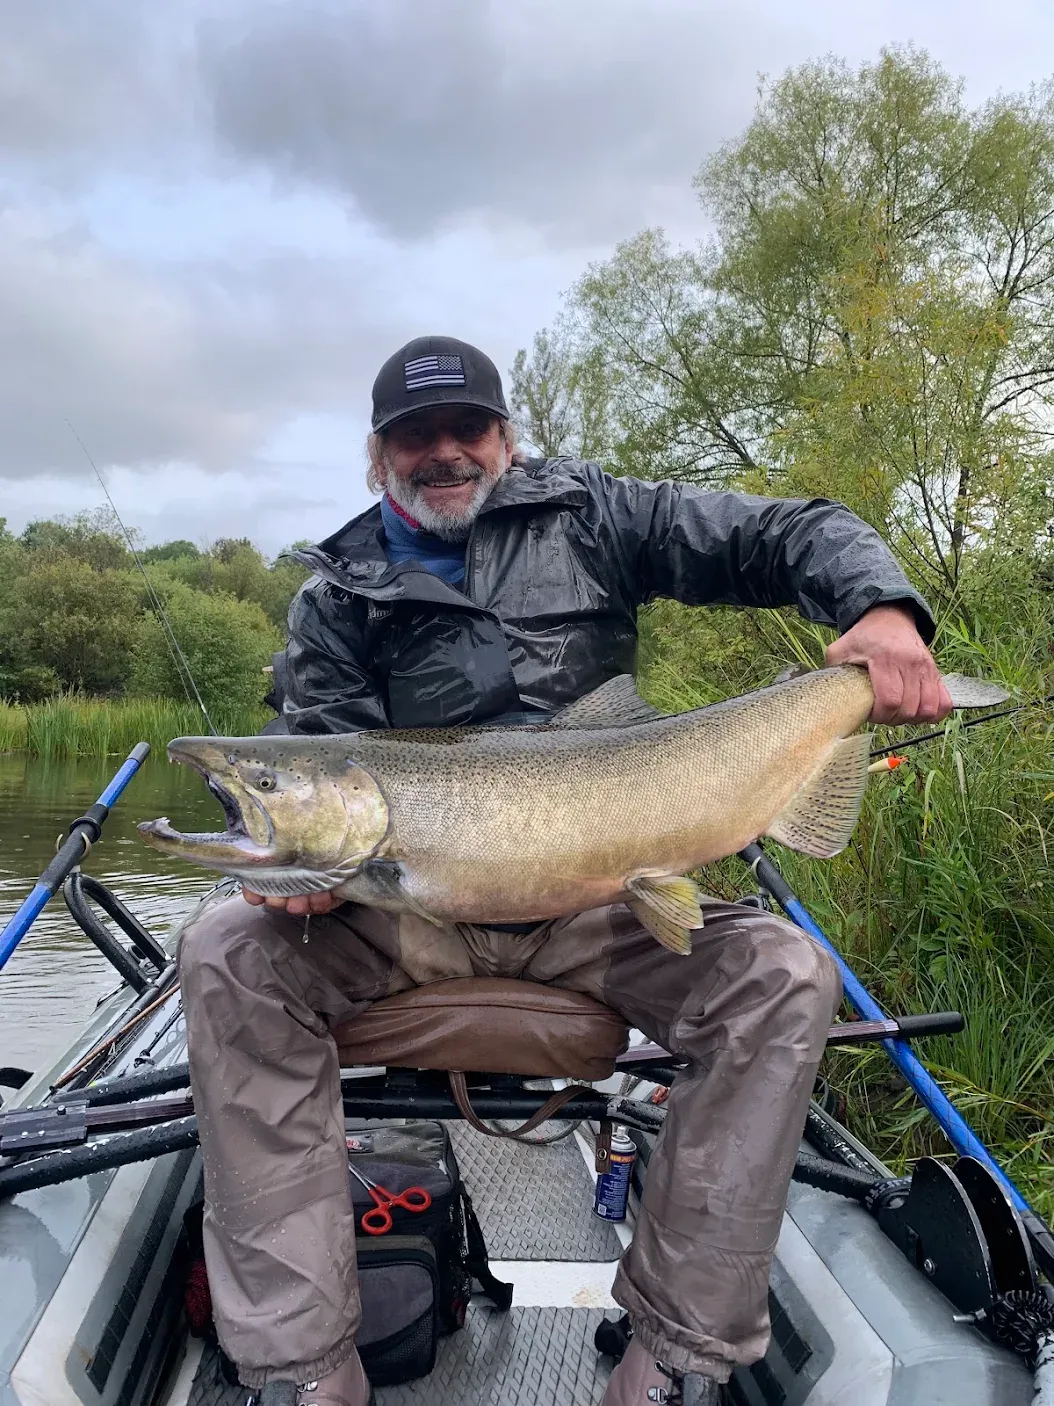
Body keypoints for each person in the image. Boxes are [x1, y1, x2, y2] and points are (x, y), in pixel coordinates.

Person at [178, 336, 951, 1406]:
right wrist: (295, 868)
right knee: (224, 945)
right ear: (376, 455)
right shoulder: (335, 596)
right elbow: (314, 742)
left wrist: (883, 608)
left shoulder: (595, 513)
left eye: (467, 429)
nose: (442, 452)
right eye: (414, 436)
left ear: (505, 437)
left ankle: (672, 1349)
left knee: (780, 972)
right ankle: (303, 1366)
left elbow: (791, 529)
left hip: (606, 892)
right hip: (417, 906)